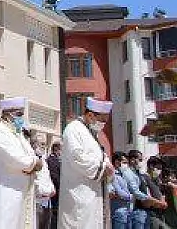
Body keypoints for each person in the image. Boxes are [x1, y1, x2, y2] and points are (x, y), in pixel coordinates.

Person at [0, 96, 41, 229]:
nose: (21, 118)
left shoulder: (18, 134)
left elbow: (31, 155)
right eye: (19, 114)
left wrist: (34, 162)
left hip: (22, 189)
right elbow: (16, 158)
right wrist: (34, 163)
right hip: (6, 190)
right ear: (6, 114)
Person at [58, 97, 114, 229]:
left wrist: (107, 165)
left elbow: (101, 156)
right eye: (102, 120)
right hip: (79, 193)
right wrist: (102, 168)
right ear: (90, 115)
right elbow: (77, 157)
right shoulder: (73, 129)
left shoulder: (91, 133)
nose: (104, 124)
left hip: (94, 193)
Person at [119, 150, 150, 229]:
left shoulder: (136, 173)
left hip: (132, 208)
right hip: (130, 209)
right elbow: (135, 192)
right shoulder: (128, 173)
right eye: (139, 160)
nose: (141, 162)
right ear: (132, 160)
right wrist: (150, 199)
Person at [137, 156, 168, 228]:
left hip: (160, 214)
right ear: (151, 166)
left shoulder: (156, 180)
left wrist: (162, 201)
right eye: (158, 168)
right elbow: (146, 199)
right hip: (151, 214)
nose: (160, 171)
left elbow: (160, 194)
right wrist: (160, 203)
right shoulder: (143, 178)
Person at [47, 141, 62, 229]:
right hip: (55, 193)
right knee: (54, 215)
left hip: (58, 193)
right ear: (56, 149)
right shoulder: (51, 160)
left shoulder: (57, 160)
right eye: (61, 149)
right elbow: (55, 177)